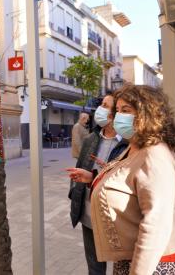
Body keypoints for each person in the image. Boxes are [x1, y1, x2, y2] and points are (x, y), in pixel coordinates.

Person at [68, 85, 175, 275]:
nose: (119, 116)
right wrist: (93, 178)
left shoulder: (155, 155)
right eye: (118, 110)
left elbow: (156, 225)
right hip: (130, 257)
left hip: (155, 263)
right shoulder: (136, 146)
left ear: (147, 113)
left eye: (126, 110)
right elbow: (129, 182)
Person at [68, 93, 128, 275]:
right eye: (101, 104)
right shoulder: (91, 139)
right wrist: (74, 194)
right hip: (88, 213)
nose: (100, 109)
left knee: (122, 266)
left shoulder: (129, 143)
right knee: (94, 268)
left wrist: (99, 175)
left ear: (116, 114)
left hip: (116, 218)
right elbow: (79, 169)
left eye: (105, 105)